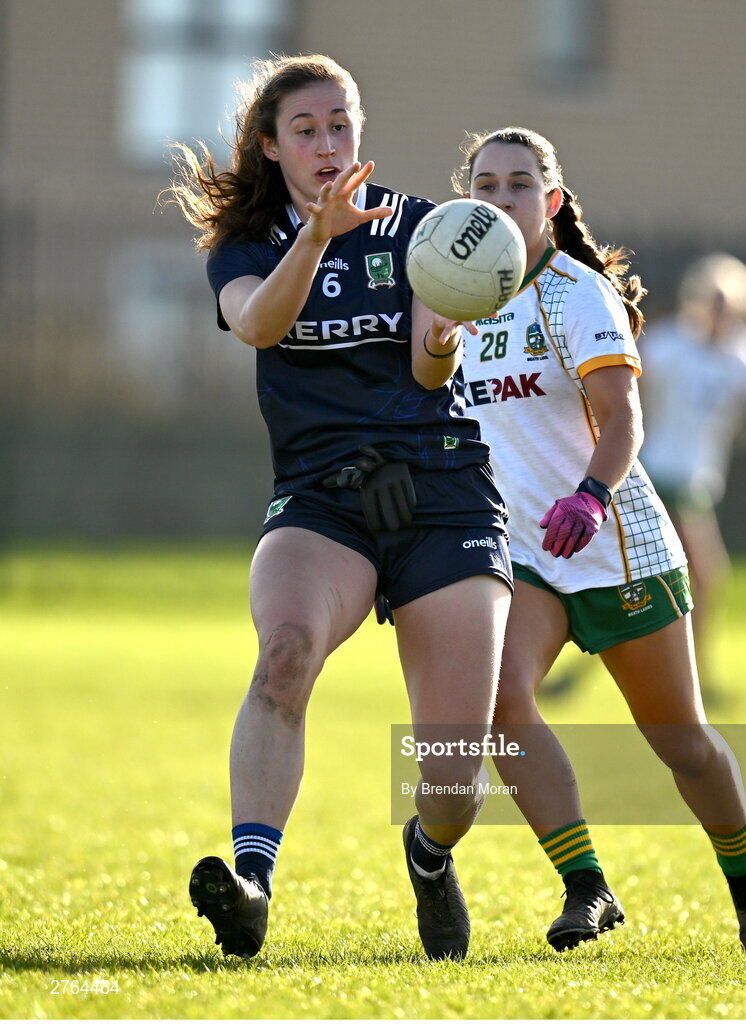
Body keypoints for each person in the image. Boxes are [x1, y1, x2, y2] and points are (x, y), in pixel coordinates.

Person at [165, 54, 512, 962]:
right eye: (308, 130)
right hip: (323, 495)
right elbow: (258, 325)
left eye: (342, 124)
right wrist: (314, 238)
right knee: (281, 658)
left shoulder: (428, 231)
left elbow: (430, 370)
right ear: (272, 146)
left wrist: (438, 338)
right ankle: (253, 884)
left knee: (451, 778)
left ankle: (430, 858)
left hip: (442, 491)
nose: (328, 144)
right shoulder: (245, 246)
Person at [455, 127, 746, 953]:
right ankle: (586, 886)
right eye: (486, 185)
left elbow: (624, 419)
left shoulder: (576, 293)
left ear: (553, 202)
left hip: (613, 542)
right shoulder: (452, 296)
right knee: (499, 703)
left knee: (678, 739)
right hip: (524, 552)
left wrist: (591, 495)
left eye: (520, 184)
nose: (502, 199)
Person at [638, 254, 746, 698]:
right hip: (660, 476)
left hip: (700, 482)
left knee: (675, 581)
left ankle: (684, 675)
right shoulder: (668, 345)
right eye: (714, 301)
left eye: (730, 305)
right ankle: (693, 680)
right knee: (703, 575)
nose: (721, 312)